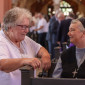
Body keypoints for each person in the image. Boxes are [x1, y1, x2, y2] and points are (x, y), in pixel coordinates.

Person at [0, 7, 51, 85]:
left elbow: (39, 48)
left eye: (28, 27)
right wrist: (24, 60)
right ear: (10, 27)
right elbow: (2, 64)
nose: (27, 30)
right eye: (23, 27)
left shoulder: (25, 39)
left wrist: (46, 56)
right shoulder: (2, 40)